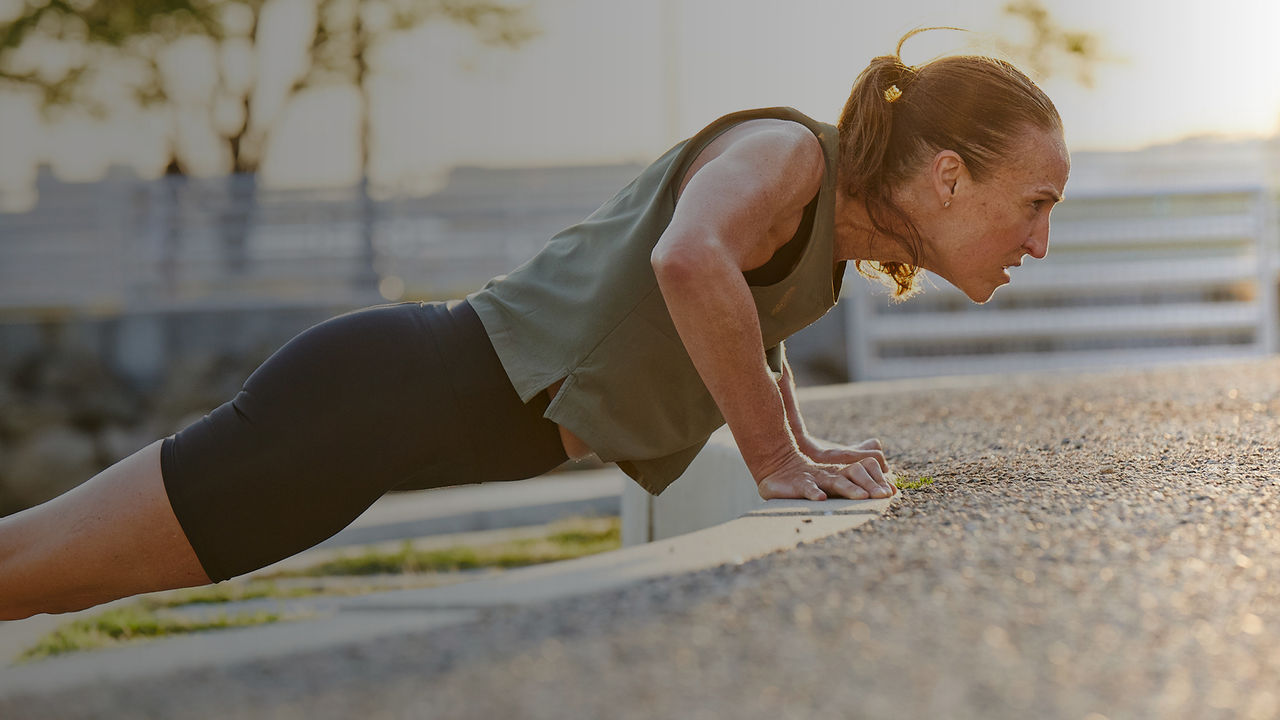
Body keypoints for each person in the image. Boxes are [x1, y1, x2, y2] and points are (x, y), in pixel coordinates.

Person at [0, 29, 1069, 620]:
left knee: (55, 583)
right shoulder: (785, 153)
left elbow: (745, 308)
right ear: (943, 175)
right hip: (370, 396)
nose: (1038, 241)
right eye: (1033, 203)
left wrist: (798, 438)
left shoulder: (826, 229)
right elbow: (690, 260)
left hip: (384, 431)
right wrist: (770, 459)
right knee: (32, 565)